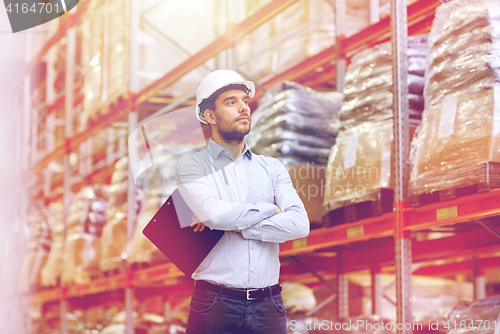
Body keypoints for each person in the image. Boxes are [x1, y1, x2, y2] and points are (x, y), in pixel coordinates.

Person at [175, 69, 310, 334]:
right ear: (209, 116)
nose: (243, 108)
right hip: (215, 304)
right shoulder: (192, 165)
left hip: (268, 304)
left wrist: (240, 226)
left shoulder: (272, 168)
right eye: (231, 102)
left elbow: (299, 224)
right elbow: (214, 216)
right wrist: (271, 210)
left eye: (245, 101)